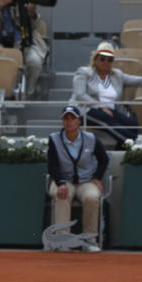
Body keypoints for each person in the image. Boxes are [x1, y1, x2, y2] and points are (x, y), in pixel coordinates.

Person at [70, 41, 142, 148]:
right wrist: (100, 107)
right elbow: (80, 95)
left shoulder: (117, 75)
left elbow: (141, 80)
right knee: (106, 118)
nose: (106, 62)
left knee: (132, 124)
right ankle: (136, 142)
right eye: (102, 58)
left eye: (109, 60)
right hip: (85, 110)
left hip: (110, 112)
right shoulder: (84, 72)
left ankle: (123, 151)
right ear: (95, 59)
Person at [46, 104, 109, 252]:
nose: (69, 122)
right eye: (66, 119)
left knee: (92, 197)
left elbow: (104, 159)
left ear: (79, 121)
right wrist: (60, 183)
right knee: (62, 195)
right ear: (62, 122)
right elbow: (52, 165)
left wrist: (97, 178)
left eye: (72, 118)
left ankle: (89, 241)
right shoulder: (54, 139)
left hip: (86, 181)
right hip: (63, 180)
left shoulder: (92, 138)